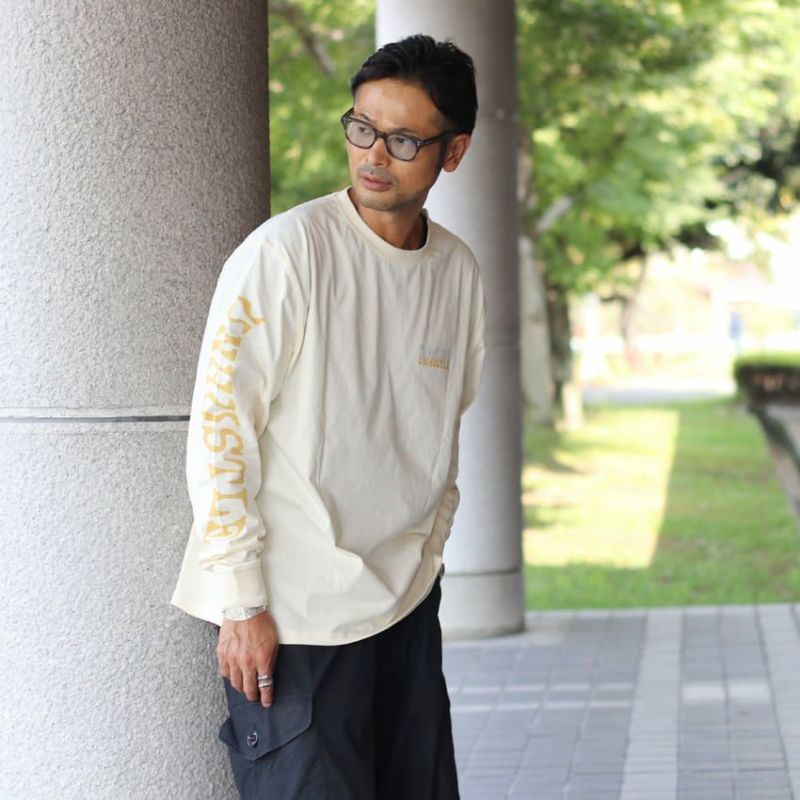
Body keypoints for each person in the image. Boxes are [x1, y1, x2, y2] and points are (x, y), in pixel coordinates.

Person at [171, 33, 486, 800]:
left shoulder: (456, 270)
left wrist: (430, 555)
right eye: (362, 127)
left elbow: (444, 428)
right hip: (296, 621)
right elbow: (220, 431)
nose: (373, 154)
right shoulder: (285, 254)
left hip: (406, 606)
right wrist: (242, 601)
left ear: (453, 152)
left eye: (403, 139)